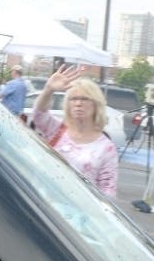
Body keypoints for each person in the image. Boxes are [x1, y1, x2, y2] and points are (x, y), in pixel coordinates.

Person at [30, 64, 118, 196]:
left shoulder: (106, 148)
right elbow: (38, 114)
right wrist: (48, 89)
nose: (78, 103)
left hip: (78, 207)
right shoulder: (55, 129)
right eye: (73, 99)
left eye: (84, 99)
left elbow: (108, 190)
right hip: (41, 202)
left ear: (96, 104)